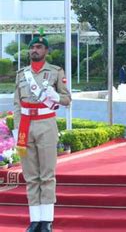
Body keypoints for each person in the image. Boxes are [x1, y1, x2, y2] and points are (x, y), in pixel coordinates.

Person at [12, 34, 72, 232]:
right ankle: (34, 220)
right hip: (26, 127)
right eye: (32, 47)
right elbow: (17, 104)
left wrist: (56, 96)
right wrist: (17, 128)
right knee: (30, 176)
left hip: (46, 125)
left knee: (46, 174)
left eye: (39, 47)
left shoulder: (55, 72)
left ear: (46, 51)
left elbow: (67, 99)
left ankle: (47, 221)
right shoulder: (22, 74)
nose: (34, 50)